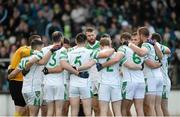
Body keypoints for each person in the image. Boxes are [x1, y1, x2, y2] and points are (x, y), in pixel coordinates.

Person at [128, 27, 163, 116]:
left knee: (150, 106)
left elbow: (142, 53)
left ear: (141, 35)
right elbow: (161, 56)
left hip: (151, 78)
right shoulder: (156, 44)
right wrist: (159, 64)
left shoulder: (145, 44)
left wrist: (130, 45)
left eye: (138, 35)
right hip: (159, 77)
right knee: (157, 106)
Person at [7, 35, 42, 116]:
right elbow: (25, 52)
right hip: (16, 82)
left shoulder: (33, 54)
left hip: (25, 82)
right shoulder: (24, 49)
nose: (41, 44)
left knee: (26, 111)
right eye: (39, 42)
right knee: (20, 110)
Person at [151, 33, 171, 116]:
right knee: (157, 106)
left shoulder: (158, 46)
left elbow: (168, 50)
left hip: (164, 81)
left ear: (154, 41)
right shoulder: (157, 49)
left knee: (163, 107)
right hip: (160, 80)